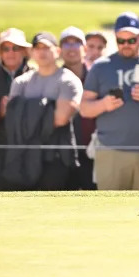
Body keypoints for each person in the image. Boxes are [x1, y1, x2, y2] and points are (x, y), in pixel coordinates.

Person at [81, 13, 139, 190]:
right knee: (110, 214)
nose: (126, 45)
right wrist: (103, 105)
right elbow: (84, 108)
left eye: (131, 40)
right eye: (121, 40)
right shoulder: (101, 67)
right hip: (110, 151)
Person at [2, 32, 83, 190]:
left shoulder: (68, 81)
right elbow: (11, 119)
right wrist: (47, 108)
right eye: (38, 48)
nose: (42, 52)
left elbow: (60, 119)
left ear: (57, 51)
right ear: (32, 52)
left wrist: (25, 110)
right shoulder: (20, 82)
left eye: (47, 47)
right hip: (23, 157)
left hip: (55, 158)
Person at [0, 27, 32, 189]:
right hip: (0, 147)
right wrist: (1, 112)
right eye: (6, 48)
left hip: (30, 148)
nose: (11, 52)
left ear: (24, 52)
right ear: (1, 52)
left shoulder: (36, 75)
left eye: (16, 48)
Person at [58, 26, 95, 190]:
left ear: (85, 49)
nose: (71, 48)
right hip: (62, 154)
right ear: (60, 50)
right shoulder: (53, 77)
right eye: (66, 44)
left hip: (92, 151)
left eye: (76, 43)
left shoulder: (97, 75)